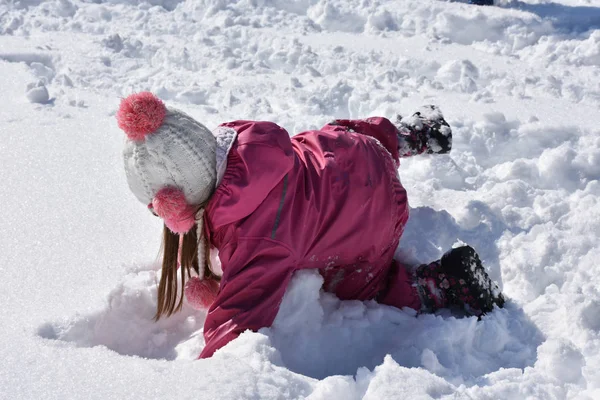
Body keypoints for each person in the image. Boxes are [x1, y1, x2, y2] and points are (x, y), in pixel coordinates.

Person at [117, 92, 505, 359]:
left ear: (177, 204)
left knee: (361, 285)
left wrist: (211, 377)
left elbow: (239, 316)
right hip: (357, 152)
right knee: (331, 139)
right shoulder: (242, 142)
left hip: (378, 208)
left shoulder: (256, 237)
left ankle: (441, 284)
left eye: (161, 211)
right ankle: (403, 136)